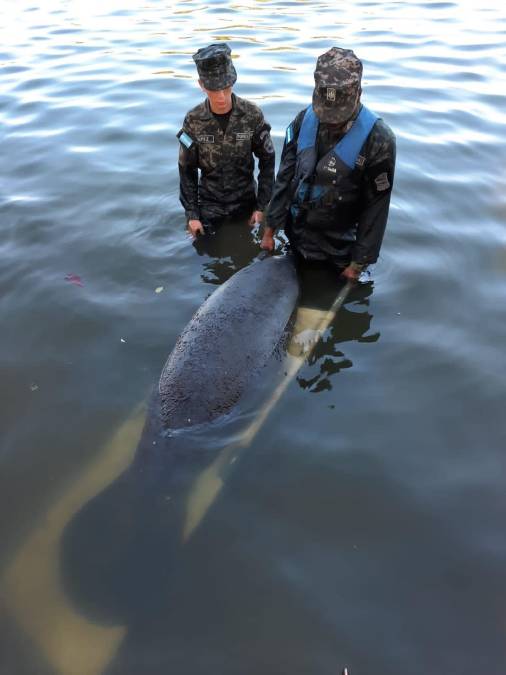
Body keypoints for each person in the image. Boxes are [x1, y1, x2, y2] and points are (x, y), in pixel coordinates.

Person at [262, 47, 396, 281]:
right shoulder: (303, 120)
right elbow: (284, 177)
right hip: (296, 239)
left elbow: (376, 208)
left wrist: (357, 264)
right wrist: (270, 229)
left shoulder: (379, 139)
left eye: (338, 115)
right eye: (326, 114)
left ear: (359, 94)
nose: (331, 121)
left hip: (339, 252)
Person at [177, 43, 275, 238]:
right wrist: (192, 215)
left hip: (246, 204)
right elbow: (186, 170)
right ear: (202, 85)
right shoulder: (193, 120)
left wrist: (262, 206)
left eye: (226, 87)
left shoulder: (252, 115)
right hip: (209, 206)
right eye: (214, 89)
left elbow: (268, 161)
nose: (221, 96)